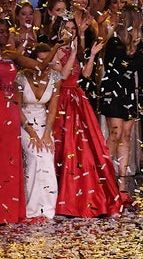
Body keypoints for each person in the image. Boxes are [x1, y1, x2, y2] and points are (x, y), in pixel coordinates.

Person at [50, 17, 125, 217]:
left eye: (73, 29)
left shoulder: (76, 50)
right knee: (63, 146)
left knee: (82, 147)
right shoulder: (56, 52)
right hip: (61, 100)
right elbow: (63, 76)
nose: (70, 32)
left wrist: (91, 55)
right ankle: (60, 195)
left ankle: (83, 191)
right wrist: (74, 52)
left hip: (78, 99)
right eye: (66, 28)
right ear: (59, 31)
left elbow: (85, 74)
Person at [101, 5, 143, 195]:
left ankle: (122, 182)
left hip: (130, 92)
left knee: (126, 136)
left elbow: (140, 69)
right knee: (114, 135)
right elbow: (125, 69)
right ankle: (106, 178)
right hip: (114, 92)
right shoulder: (114, 43)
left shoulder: (139, 45)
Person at [0, 18, 26, 224]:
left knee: (12, 156)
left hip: (12, 108)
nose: (3, 35)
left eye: (6, 32)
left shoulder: (11, 55)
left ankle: (12, 211)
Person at [16, 43, 62, 221]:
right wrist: (31, 132)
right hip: (24, 122)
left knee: (47, 154)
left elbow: (53, 108)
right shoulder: (20, 78)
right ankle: (32, 207)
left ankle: (48, 207)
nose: (45, 64)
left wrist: (46, 133)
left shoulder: (55, 77)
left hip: (44, 122)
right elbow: (17, 108)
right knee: (35, 155)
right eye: (41, 60)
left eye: (48, 61)